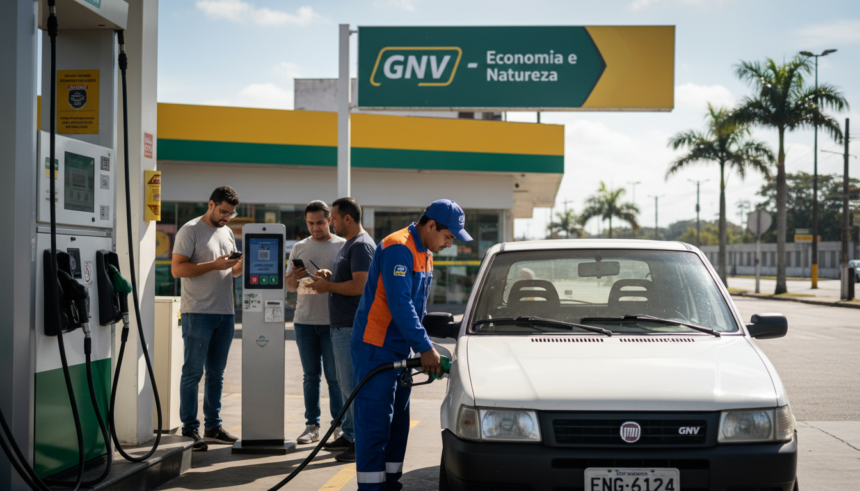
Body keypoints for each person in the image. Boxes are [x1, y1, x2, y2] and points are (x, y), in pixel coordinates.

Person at [350, 199, 472, 490]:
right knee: (375, 426)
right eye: (448, 236)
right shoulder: (398, 247)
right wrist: (425, 348)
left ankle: (390, 484)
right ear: (431, 225)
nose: (450, 244)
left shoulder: (425, 252)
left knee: (397, 425)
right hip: (376, 348)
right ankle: (371, 488)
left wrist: (424, 345)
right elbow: (400, 304)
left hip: (400, 348)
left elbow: (416, 310)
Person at [171, 186, 244, 451]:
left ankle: (213, 425)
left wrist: (239, 266)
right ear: (211, 204)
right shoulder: (190, 230)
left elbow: (231, 274)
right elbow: (177, 270)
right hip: (198, 312)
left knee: (217, 374)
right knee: (193, 372)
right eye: (223, 211)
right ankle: (190, 428)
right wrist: (214, 264)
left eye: (231, 214)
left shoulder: (226, 232)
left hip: (225, 313)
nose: (226, 217)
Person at [307, 197, 376, 462]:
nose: (330, 222)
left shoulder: (361, 246)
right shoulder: (350, 245)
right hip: (342, 326)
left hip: (350, 327)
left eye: (333, 218)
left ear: (347, 218)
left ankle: (361, 443)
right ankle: (349, 434)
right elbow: (349, 279)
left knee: (352, 386)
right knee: (347, 386)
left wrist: (329, 287)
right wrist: (330, 277)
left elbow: (360, 286)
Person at [285, 201, 346, 444]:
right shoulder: (299, 247)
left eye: (319, 222)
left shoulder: (342, 246)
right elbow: (290, 287)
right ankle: (312, 426)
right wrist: (294, 277)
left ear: (329, 220)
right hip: (304, 321)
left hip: (333, 322)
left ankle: (339, 426)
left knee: (334, 377)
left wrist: (330, 279)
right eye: (310, 223)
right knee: (311, 376)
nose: (315, 228)